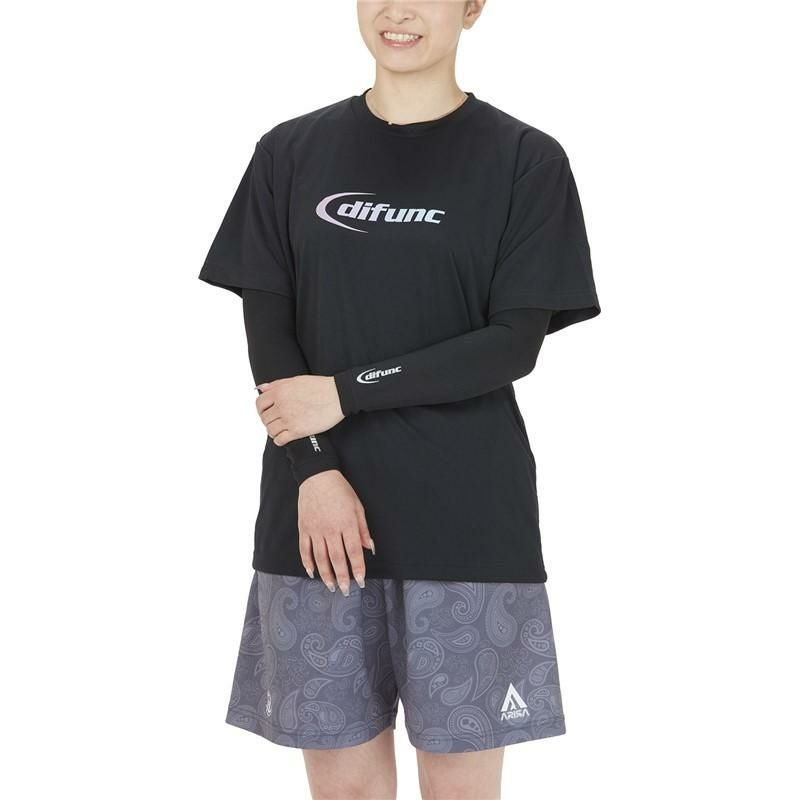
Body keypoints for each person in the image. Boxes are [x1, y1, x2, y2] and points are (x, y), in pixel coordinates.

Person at [198, 2, 600, 798]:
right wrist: (315, 471)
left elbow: (510, 344)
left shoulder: (525, 160)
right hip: (317, 522)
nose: (398, 10)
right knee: (345, 790)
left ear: (472, 7)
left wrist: (345, 394)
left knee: (460, 790)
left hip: (467, 523)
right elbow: (271, 341)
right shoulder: (288, 154)